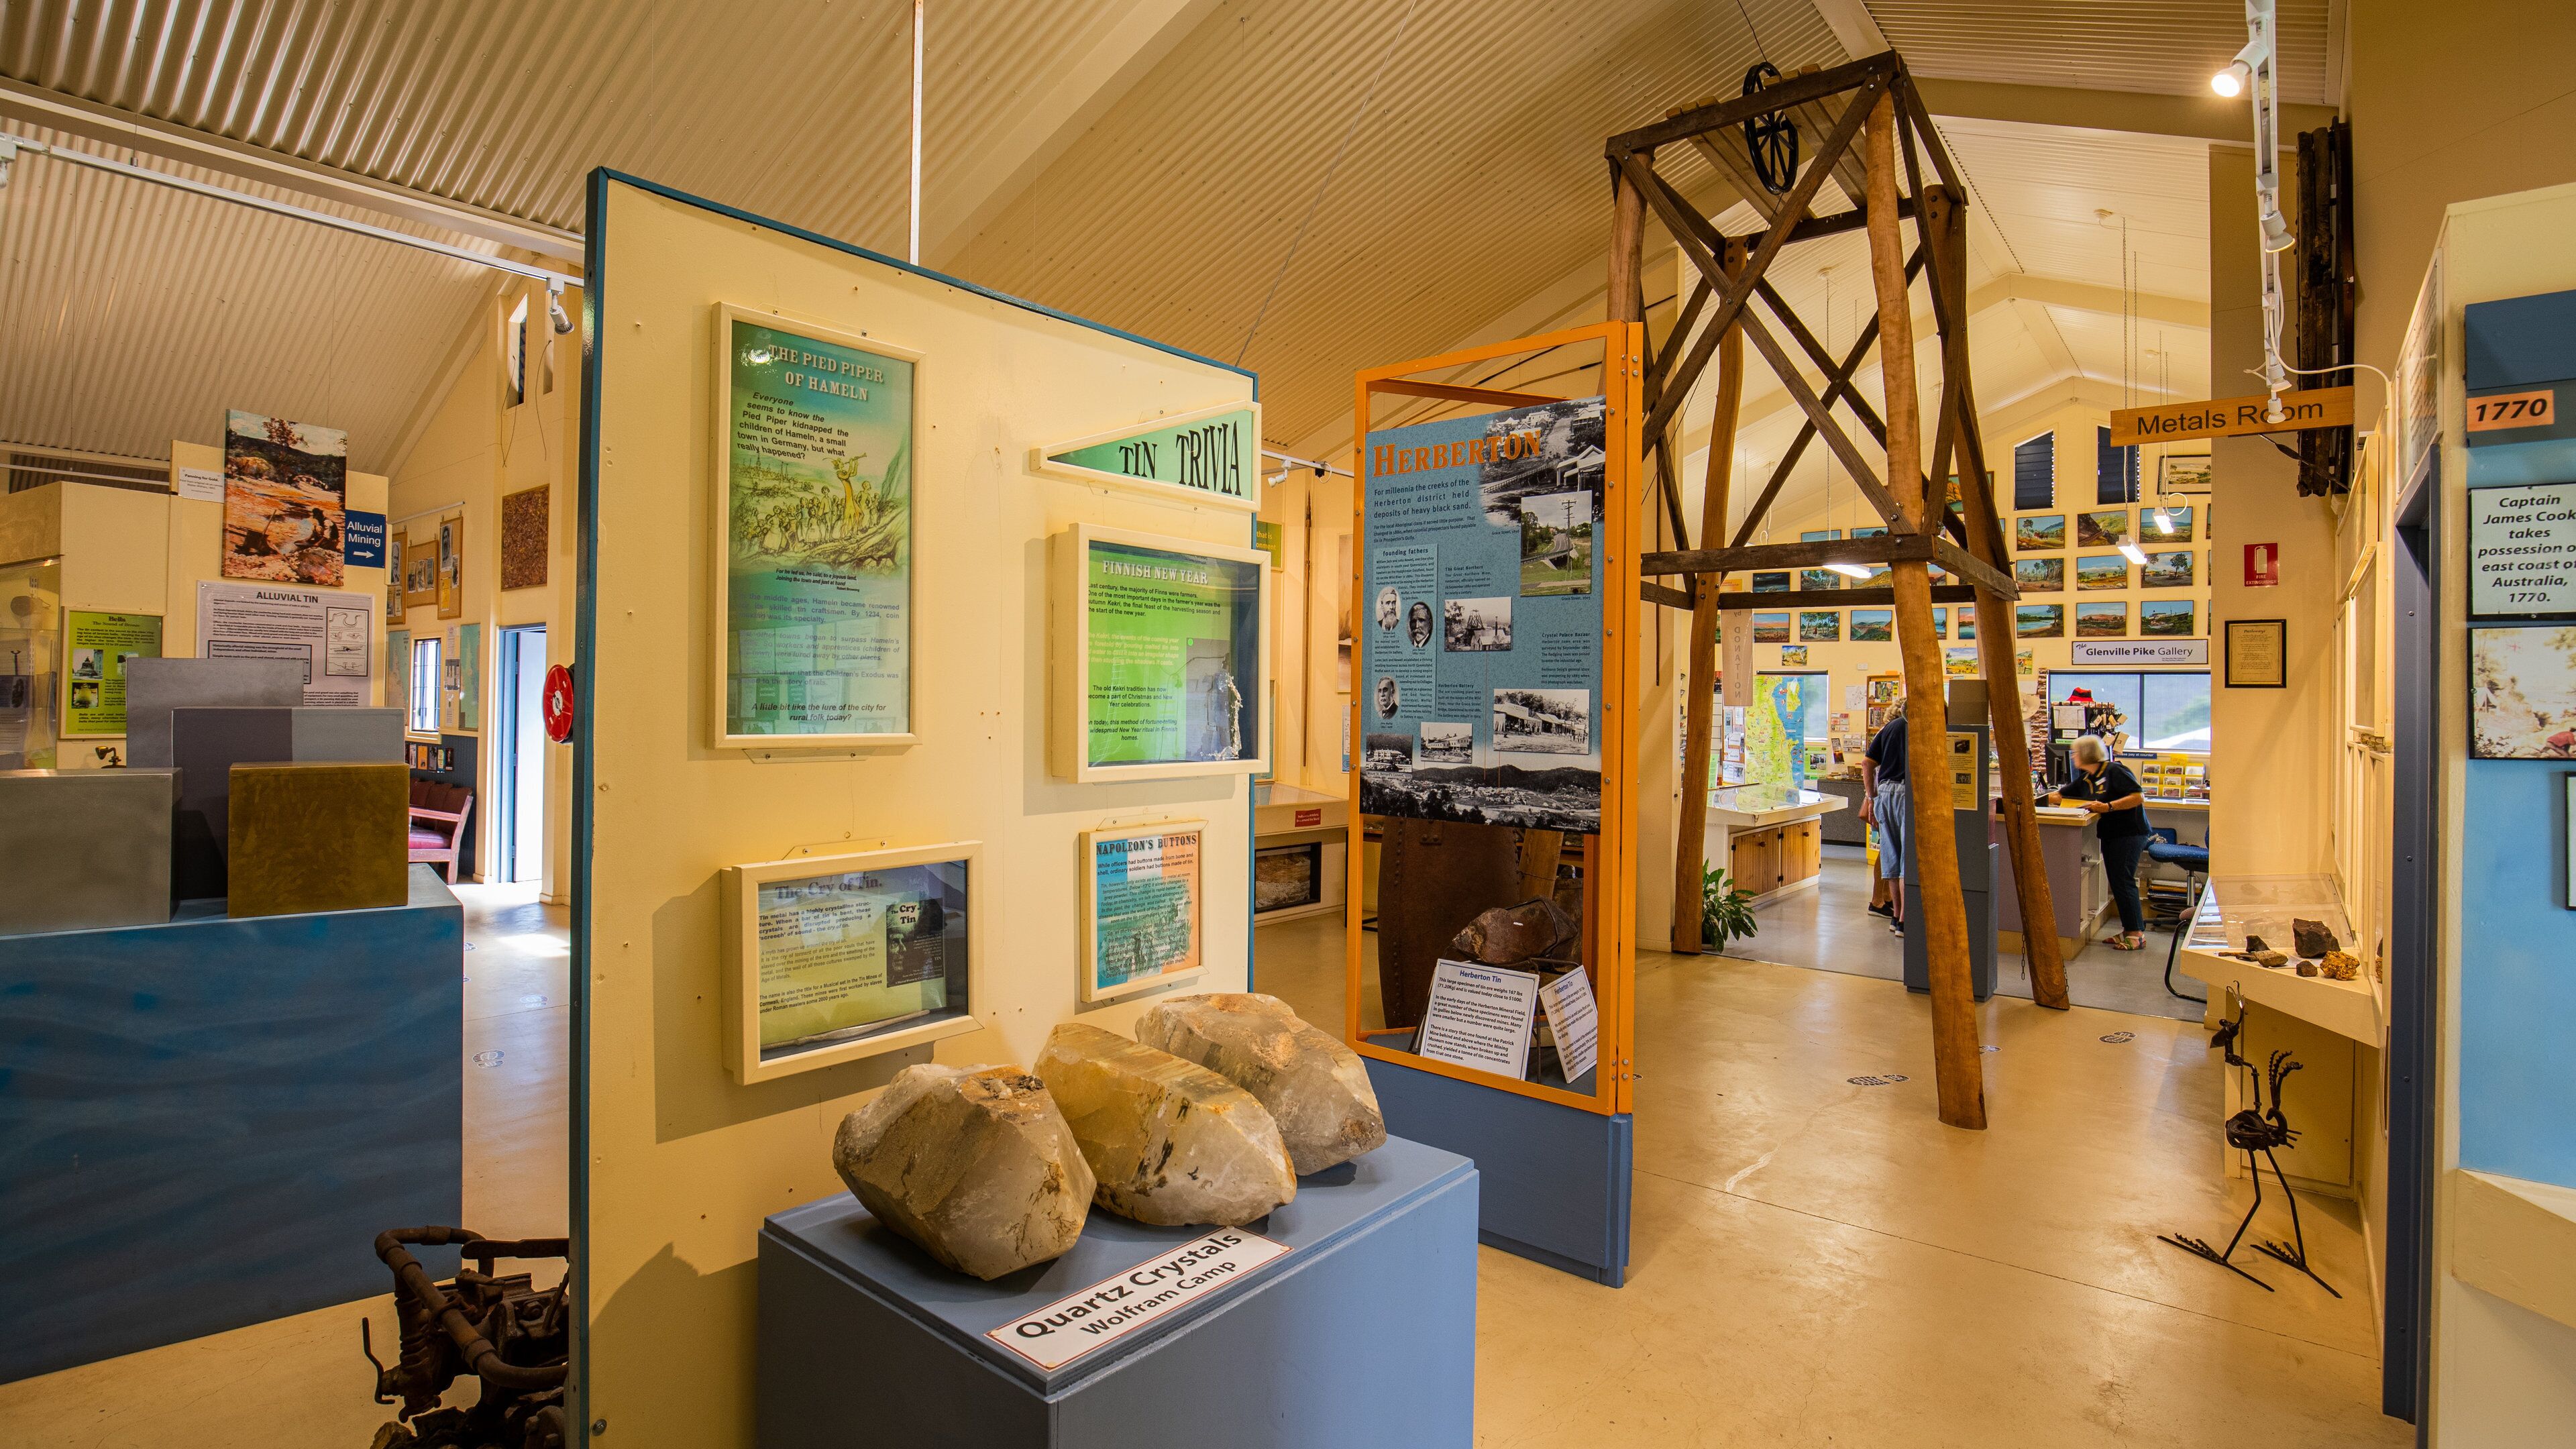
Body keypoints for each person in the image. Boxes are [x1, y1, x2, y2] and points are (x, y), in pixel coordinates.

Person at [2049, 733, 2151, 950]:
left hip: (2130, 832)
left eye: (2076, 753)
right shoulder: (2088, 777)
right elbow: (2059, 795)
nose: (2074, 756)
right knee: (2117, 881)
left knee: (2123, 881)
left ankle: (2136, 934)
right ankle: (2128, 929)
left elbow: (2137, 797)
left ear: (2086, 754)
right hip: (2112, 834)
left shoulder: (2115, 771)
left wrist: (2108, 807)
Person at [1860, 706, 1908, 935]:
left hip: (1885, 794)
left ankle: (1896, 917)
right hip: (1909, 793)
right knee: (1908, 862)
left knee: (1891, 858)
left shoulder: (1887, 729)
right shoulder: (1918, 728)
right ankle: (1905, 920)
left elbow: (1867, 763)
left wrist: (1872, 798)